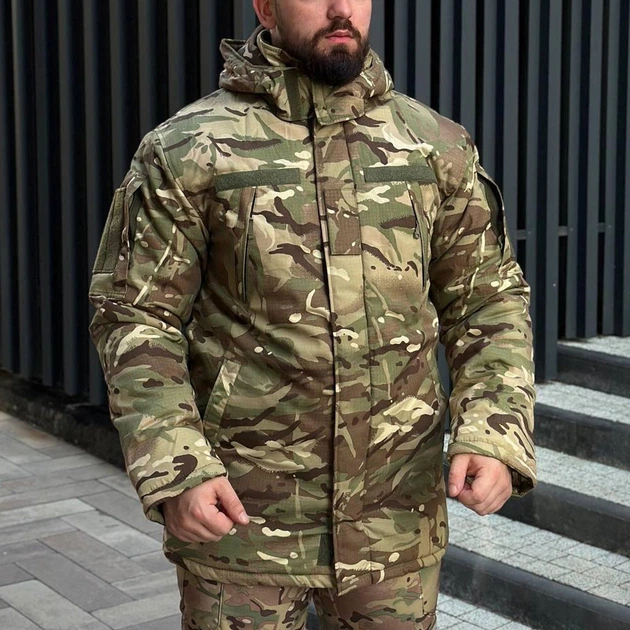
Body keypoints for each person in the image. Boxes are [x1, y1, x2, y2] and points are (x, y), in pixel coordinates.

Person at [88, 0, 536, 628]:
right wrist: (175, 463)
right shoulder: (189, 150)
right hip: (241, 523)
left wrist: (494, 430)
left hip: (395, 519)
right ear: (265, 7)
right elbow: (137, 317)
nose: (341, 9)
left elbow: (487, 301)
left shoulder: (433, 145)